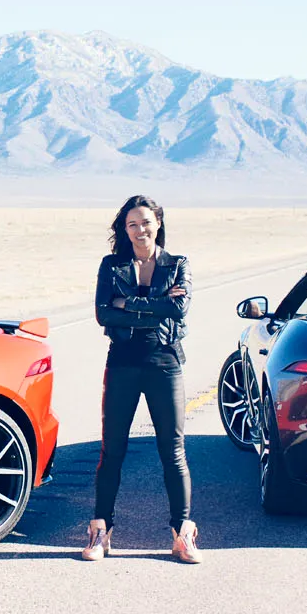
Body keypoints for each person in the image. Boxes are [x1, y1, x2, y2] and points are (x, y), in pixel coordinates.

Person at [83, 194, 199, 563]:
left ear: (159, 223)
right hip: (122, 364)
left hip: (165, 363)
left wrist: (127, 303)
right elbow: (103, 314)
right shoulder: (112, 265)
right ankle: (100, 532)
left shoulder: (178, 264)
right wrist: (155, 306)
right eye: (132, 224)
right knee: (112, 450)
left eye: (146, 222)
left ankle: (183, 534)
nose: (140, 230)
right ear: (125, 229)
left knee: (173, 451)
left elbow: (178, 308)